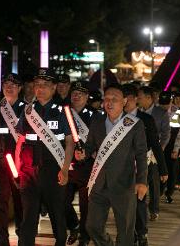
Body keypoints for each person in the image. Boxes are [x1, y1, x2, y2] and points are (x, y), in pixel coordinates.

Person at [76, 83, 148, 246]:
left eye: (114, 99)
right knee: (92, 226)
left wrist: (142, 181)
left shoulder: (134, 124)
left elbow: (141, 154)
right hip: (99, 184)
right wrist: (83, 153)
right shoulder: (97, 121)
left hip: (124, 184)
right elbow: (90, 146)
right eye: (106, 99)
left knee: (125, 230)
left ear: (124, 101)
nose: (109, 102)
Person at [14, 68, 74, 246]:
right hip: (28, 171)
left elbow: (70, 142)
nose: (40, 88)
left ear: (54, 87)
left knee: (57, 215)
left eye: (45, 85)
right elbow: (20, 141)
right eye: (37, 85)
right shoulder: (28, 111)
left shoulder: (63, 112)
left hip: (53, 171)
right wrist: (17, 170)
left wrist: (65, 169)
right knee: (28, 217)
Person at [122, 84, 167, 246]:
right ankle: (129, 233)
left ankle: (141, 233)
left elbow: (155, 144)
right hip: (120, 168)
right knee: (124, 202)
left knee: (139, 200)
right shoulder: (116, 118)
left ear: (134, 99)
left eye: (126, 98)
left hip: (141, 165)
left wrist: (163, 169)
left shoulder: (146, 119)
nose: (124, 101)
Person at [0, 74, 24, 246]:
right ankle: (1, 240)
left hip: (20, 161)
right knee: (1, 200)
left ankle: (23, 235)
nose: (9, 87)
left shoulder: (27, 109)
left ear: (20, 88)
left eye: (13, 84)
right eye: (6, 84)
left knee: (20, 200)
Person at [65, 81, 97, 246]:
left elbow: (99, 140)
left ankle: (84, 237)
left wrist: (87, 152)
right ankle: (73, 225)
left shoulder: (95, 115)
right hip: (67, 165)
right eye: (74, 93)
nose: (76, 96)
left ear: (86, 97)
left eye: (80, 94)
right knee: (62, 200)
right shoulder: (64, 112)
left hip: (87, 166)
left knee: (86, 206)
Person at [137, 86, 170, 220]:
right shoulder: (136, 112)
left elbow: (166, 133)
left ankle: (154, 209)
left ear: (149, 98)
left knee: (154, 182)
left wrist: (159, 150)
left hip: (155, 152)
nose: (138, 100)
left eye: (140, 97)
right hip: (140, 153)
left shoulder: (160, 113)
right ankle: (141, 208)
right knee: (142, 180)